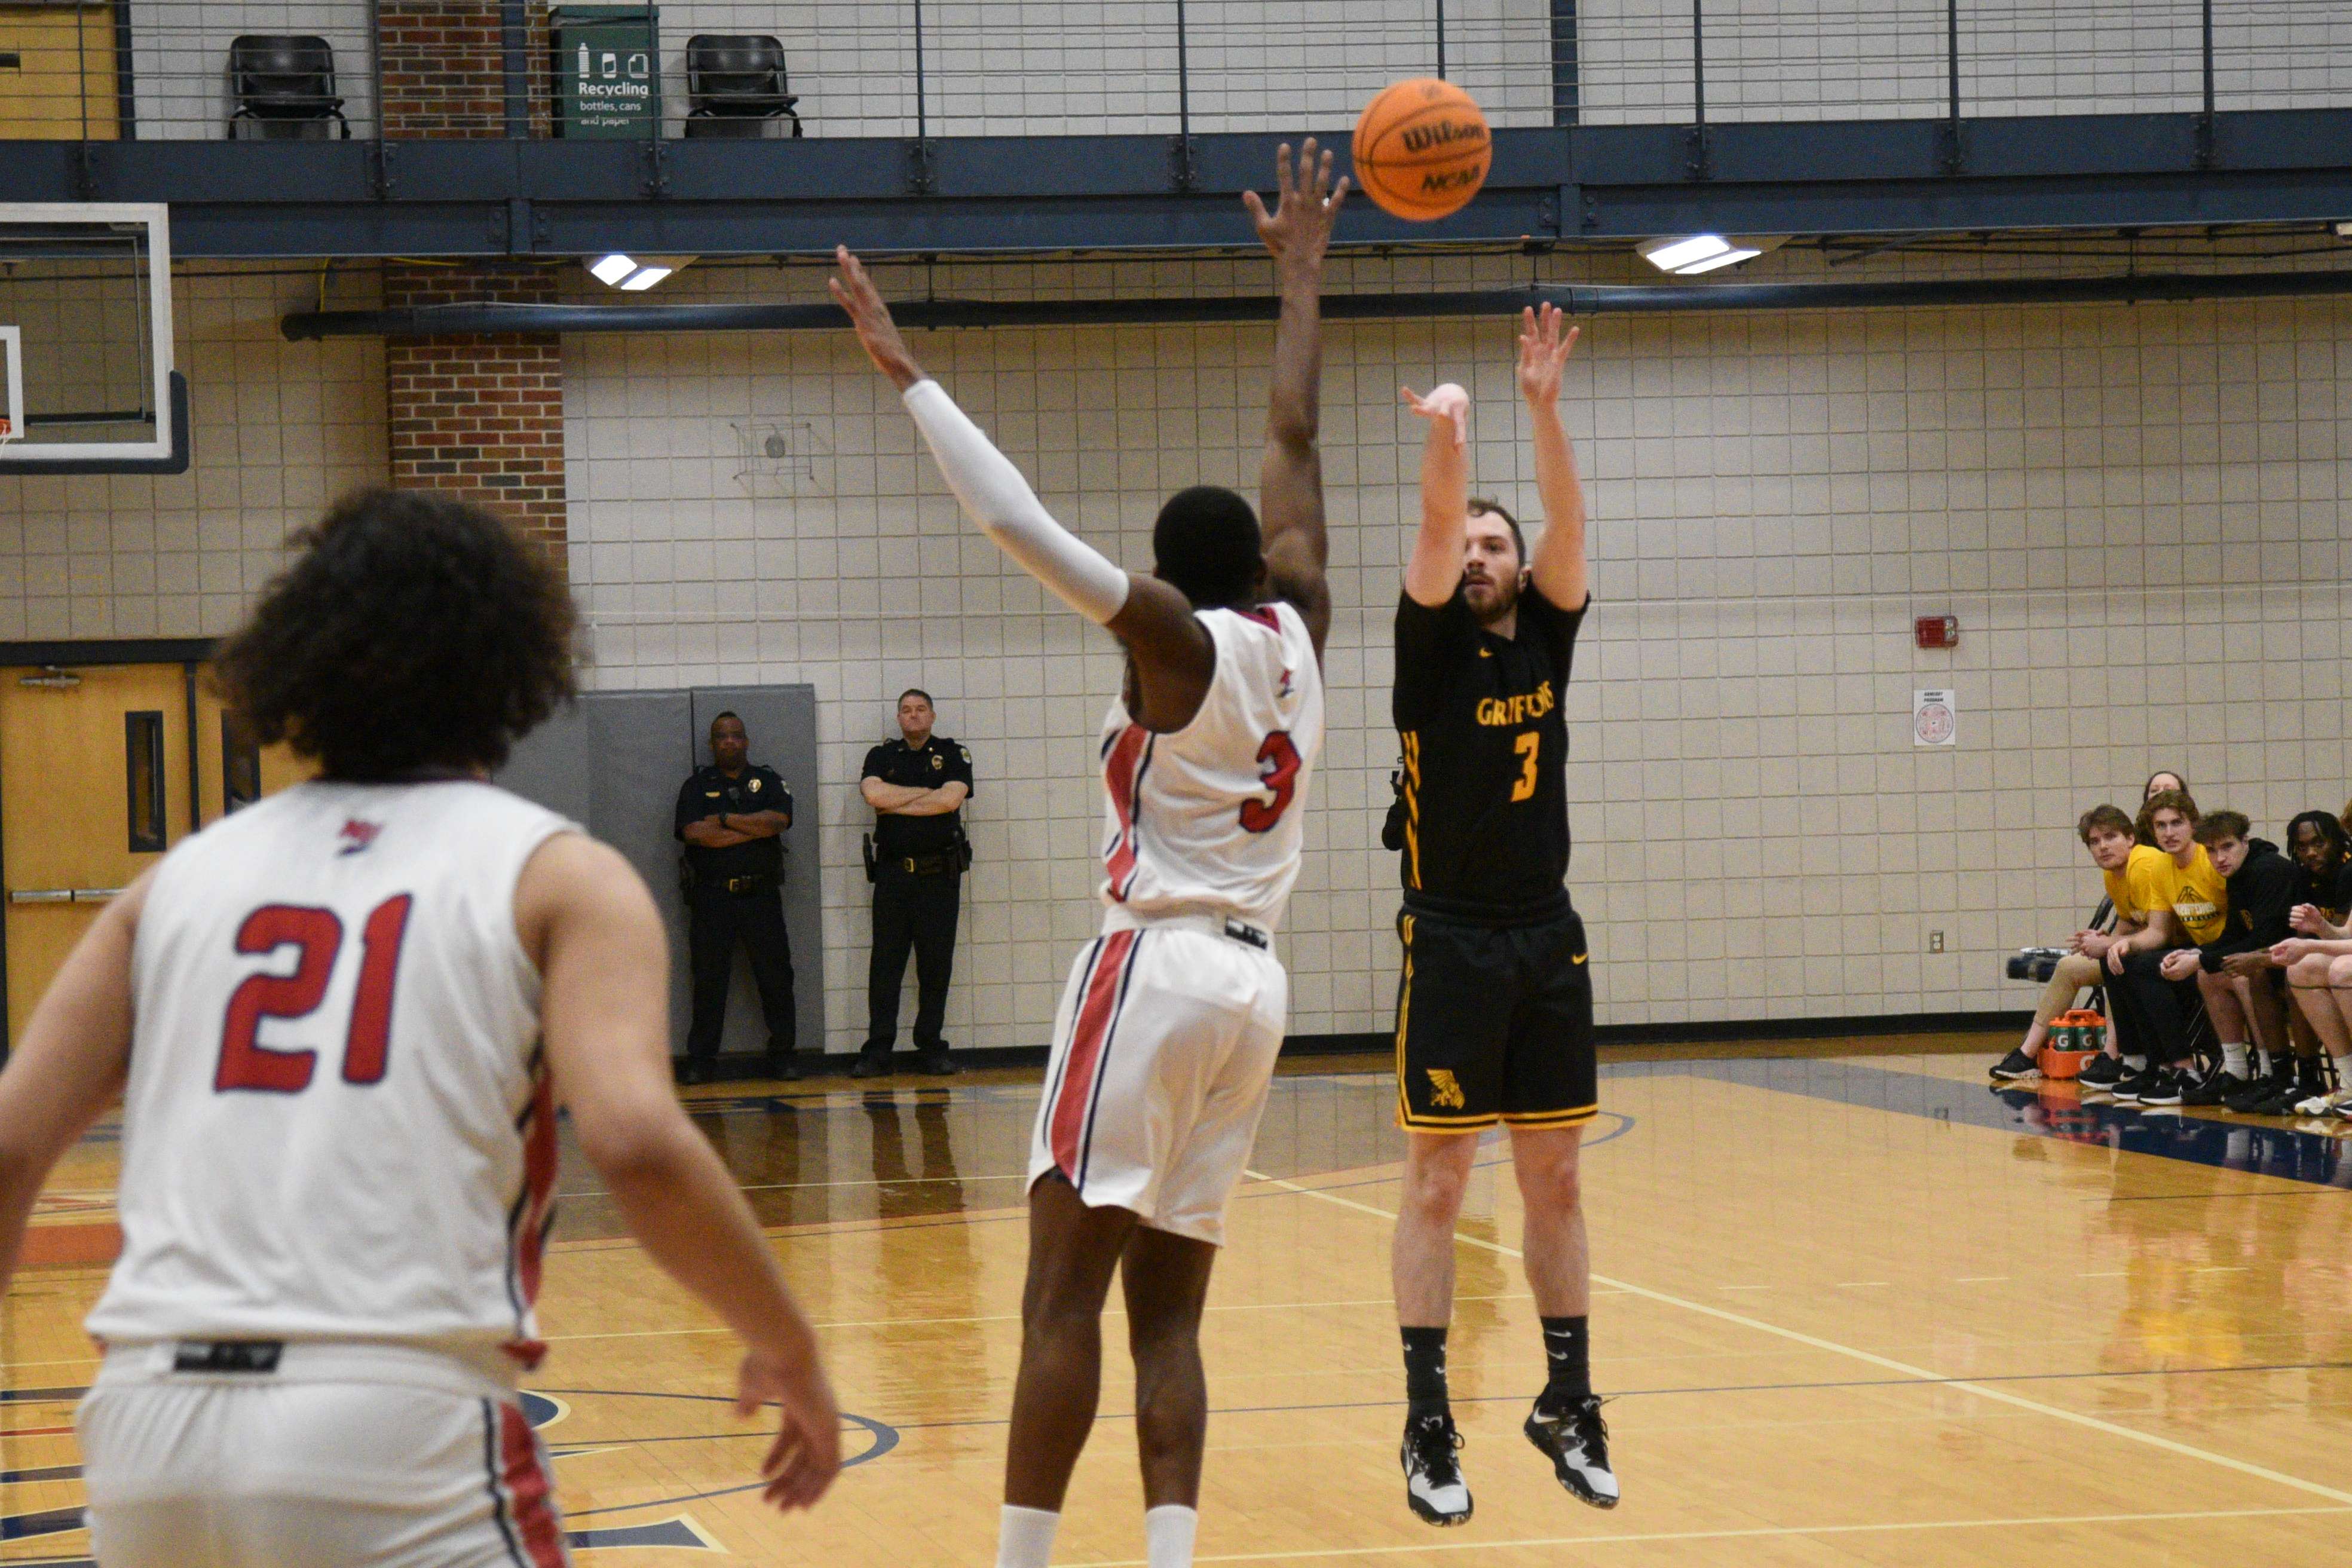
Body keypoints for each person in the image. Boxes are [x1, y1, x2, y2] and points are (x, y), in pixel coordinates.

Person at [0, 489, 837, 1567]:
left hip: (146, 1427)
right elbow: (632, 1137)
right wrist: (789, 1344)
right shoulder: (558, 872)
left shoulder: (175, 883)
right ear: (514, 666)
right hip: (392, 1422)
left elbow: (13, 1144)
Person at [831, 136, 1342, 1568]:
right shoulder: (1302, 622)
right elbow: (1293, 445)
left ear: (1178, 577)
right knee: (1167, 1313)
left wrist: (904, 368)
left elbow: (1013, 520)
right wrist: (1301, 274)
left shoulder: (1173, 642)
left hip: (1156, 965)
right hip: (1256, 994)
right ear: (1264, 563)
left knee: (1057, 1300)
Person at [1386, 302, 1612, 1529]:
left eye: (1493, 542)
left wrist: (1542, 410)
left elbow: (1571, 523)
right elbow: (1431, 519)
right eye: (1467, 541)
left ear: (1522, 569)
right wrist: (1457, 435)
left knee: (1559, 1177)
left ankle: (1569, 1400)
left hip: (1547, 932)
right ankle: (1428, 1419)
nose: (1476, 552)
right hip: (1452, 930)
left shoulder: (1552, 635)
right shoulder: (1428, 649)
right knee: (1436, 1183)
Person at [675, 711, 799, 1084]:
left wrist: (725, 820)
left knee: (776, 978)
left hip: (761, 895)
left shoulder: (768, 780)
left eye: (736, 736)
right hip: (713, 899)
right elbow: (695, 833)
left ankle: (783, 1057)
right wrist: (751, 827)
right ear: (713, 745)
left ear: (746, 741)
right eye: (721, 737)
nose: (729, 742)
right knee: (709, 980)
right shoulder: (696, 787)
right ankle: (702, 1060)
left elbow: (778, 821)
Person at [856, 688, 974, 1078]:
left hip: (939, 876)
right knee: (885, 965)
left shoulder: (953, 754)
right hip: (892, 876)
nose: (914, 716)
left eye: (921, 709)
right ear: (899, 718)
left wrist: (900, 801)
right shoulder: (882, 756)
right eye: (906, 711)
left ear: (933, 716)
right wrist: (927, 793)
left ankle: (931, 1048)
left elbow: (949, 802)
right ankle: (878, 1051)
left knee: (935, 965)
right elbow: (873, 794)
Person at [1989, 804, 2140, 1082]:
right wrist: (2103, 938)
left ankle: (2112, 1056)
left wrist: (2110, 945)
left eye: (2110, 837)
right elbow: (2130, 923)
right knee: (2070, 966)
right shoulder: (2113, 875)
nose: (2103, 847)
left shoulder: (2145, 867)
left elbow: (2159, 930)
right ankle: (2026, 1053)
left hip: (2159, 952)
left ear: (2131, 838)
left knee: (2115, 964)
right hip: (2132, 947)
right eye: (2095, 842)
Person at [2164, 812, 2293, 1106]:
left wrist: (2200, 960)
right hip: (2270, 957)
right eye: (2211, 850)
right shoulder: (2237, 875)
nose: (2219, 857)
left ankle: (2270, 1071)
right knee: (2209, 974)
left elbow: (2265, 941)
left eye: (2227, 847)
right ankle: (2236, 1070)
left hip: (2288, 959)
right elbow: (2234, 934)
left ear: (2245, 842)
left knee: (2244, 971)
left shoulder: (2268, 870)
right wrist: (2195, 954)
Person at [2108, 789, 2225, 1105]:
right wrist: (2126, 944)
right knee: (2129, 961)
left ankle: (2187, 1071)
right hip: (2197, 955)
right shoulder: (2162, 867)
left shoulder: (2210, 859)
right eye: (2161, 826)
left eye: (2177, 823)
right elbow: (2158, 932)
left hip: (2224, 953)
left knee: (2150, 968)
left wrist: (2198, 956)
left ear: (2193, 825)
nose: (2169, 833)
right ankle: (2157, 1065)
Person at [2231, 811, 2352, 1112]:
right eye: (2302, 847)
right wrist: (2318, 931)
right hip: (2335, 948)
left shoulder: (2349, 871)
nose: (2311, 853)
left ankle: (2307, 1072)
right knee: (2299, 968)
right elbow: (2343, 935)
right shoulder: (2301, 877)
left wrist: (2313, 938)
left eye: (2319, 844)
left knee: (2340, 969)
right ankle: (2342, 1082)